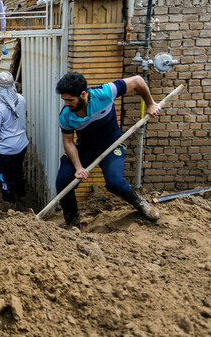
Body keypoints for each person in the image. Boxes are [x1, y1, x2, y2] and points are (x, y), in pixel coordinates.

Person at [55, 72, 161, 228]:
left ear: (83, 94)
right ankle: (72, 222)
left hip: (112, 144)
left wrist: (150, 103)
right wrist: (78, 167)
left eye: (70, 100)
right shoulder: (66, 115)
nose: (66, 104)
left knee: (114, 182)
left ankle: (140, 203)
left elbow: (138, 81)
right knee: (63, 182)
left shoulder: (105, 93)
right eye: (64, 100)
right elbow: (68, 141)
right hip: (85, 147)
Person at [0, 72, 29, 204]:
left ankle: (9, 203)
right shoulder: (20, 98)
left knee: (5, 178)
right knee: (17, 171)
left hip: (6, 149)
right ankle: (22, 196)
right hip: (21, 145)